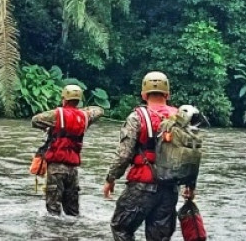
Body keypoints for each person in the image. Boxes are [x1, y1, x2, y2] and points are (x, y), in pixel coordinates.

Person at [102, 72, 195, 241]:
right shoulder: (181, 119)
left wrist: (111, 178)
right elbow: (191, 154)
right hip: (170, 188)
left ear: (144, 94)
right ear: (167, 94)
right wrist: (190, 186)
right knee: (159, 238)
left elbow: (124, 155)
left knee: (121, 227)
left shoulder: (137, 117)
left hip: (141, 186)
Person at [31, 84, 104, 215]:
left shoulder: (56, 115)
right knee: (73, 212)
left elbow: (35, 120)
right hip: (73, 171)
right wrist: (80, 111)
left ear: (64, 99)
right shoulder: (85, 116)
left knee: (53, 211)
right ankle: (73, 234)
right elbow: (99, 110)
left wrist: (51, 125)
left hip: (56, 169)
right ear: (79, 100)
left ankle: (54, 234)